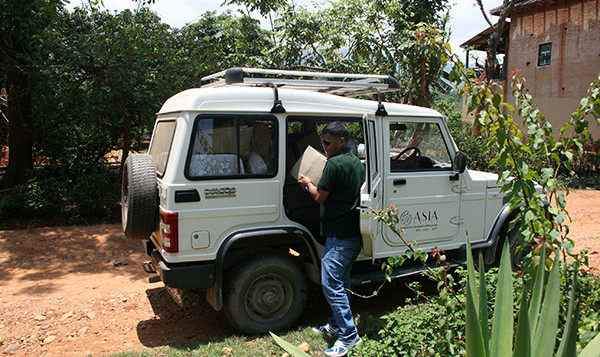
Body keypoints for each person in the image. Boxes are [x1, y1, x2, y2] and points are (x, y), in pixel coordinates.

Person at [298, 121, 365, 357]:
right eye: (323, 142)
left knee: (331, 284)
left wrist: (307, 183)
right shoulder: (357, 163)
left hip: (339, 235)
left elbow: (319, 197)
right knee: (342, 283)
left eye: (327, 142)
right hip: (352, 234)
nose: (324, 146)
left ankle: (349, 336)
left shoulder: (334, 164)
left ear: (342, 141)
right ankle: (336, 323)